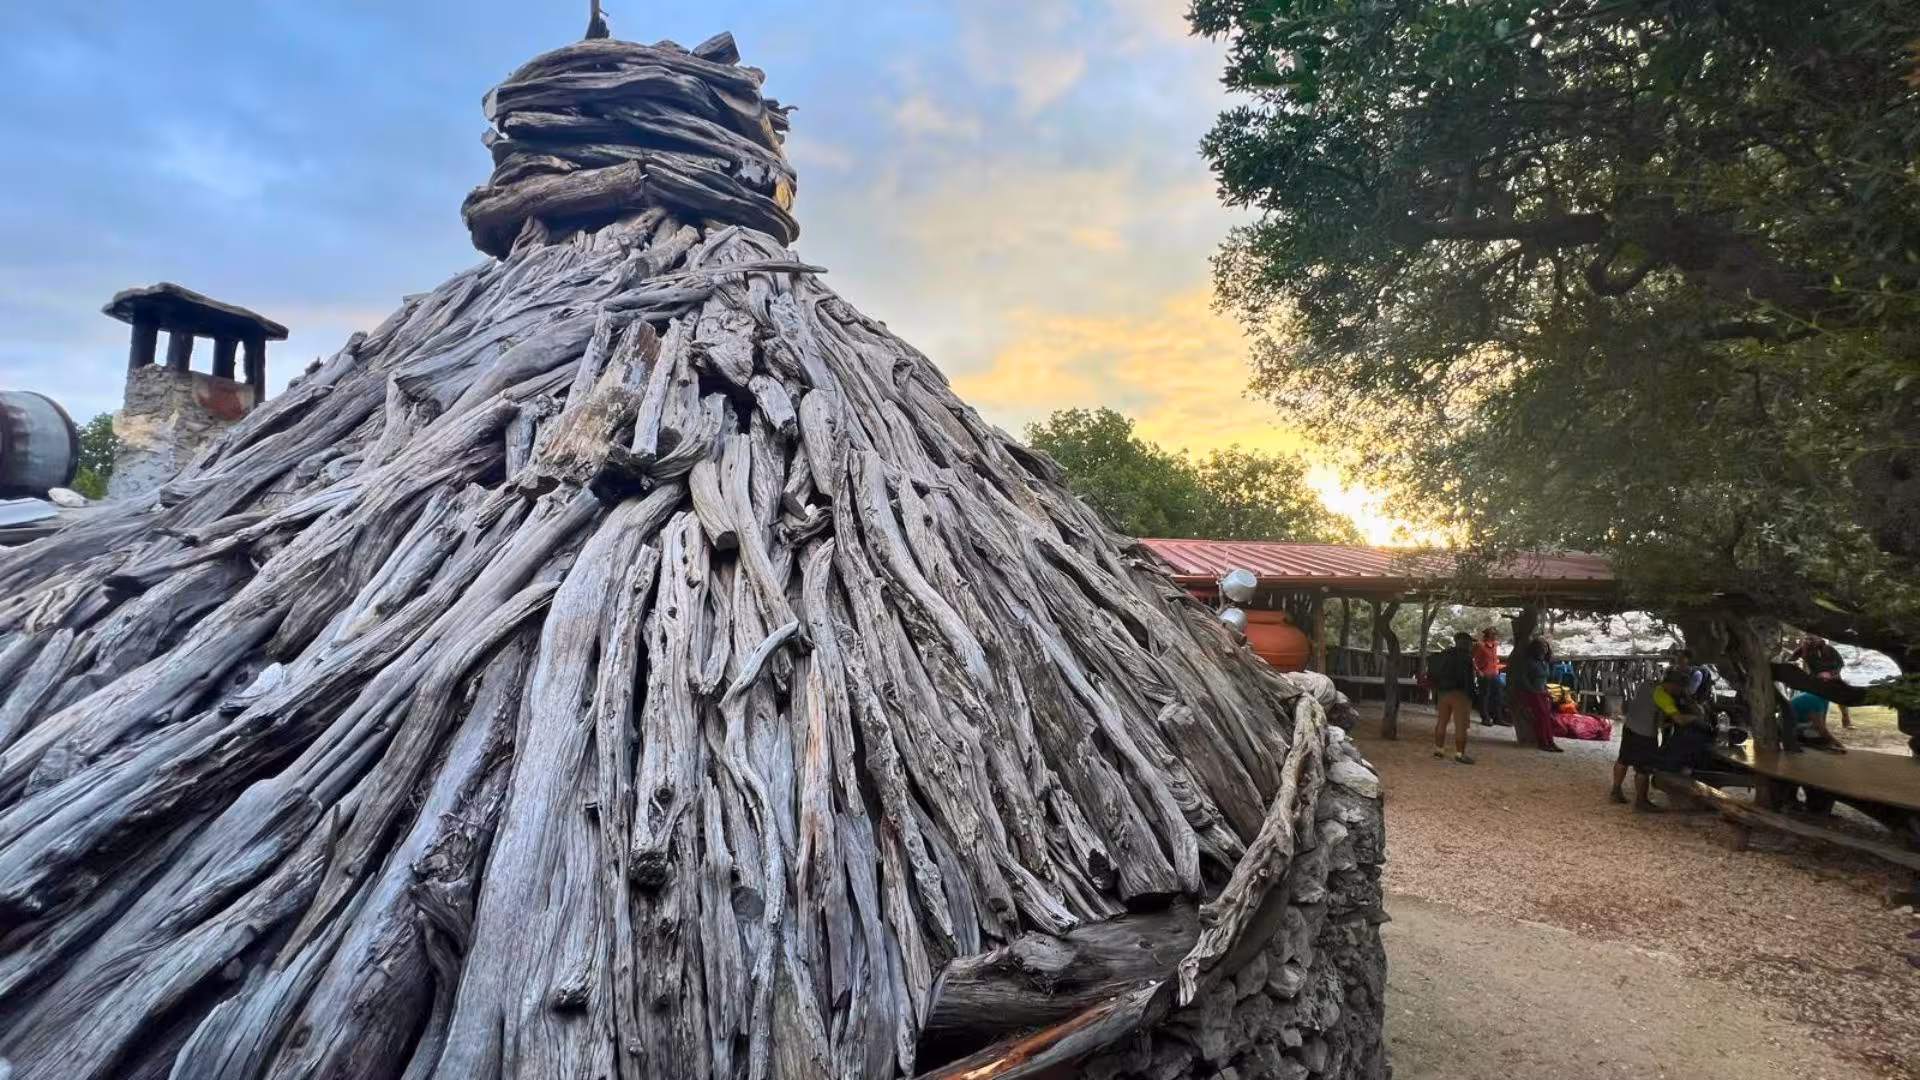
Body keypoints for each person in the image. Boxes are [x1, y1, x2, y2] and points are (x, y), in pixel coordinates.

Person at [1611, 667, 1693, 812]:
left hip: (1629, 726)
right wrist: (1695, 718)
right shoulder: (1663, 696)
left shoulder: (1646, 684)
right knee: (1643, 769)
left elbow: (1649, 708)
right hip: (1645, 734)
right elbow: (1679, 720)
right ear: (1674, 685)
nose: (1680, 691)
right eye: (1680, 688)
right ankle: (1641, 802)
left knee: (1623, 760)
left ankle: (1615, 791)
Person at [1429, 631, 1478, 764]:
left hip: (1443, 693)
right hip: (1460, 694)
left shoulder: (1444, 655)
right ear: (1466, 643)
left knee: (1441, 722)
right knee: (1461, 725)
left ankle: (1439, 750)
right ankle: (1459, 753)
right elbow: (1468, 679)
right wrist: (1472, 695)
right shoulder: (1466, 657)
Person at [1509, 637, 1564, 752]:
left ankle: (1550, 741)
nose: (1544, 649)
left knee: (1547, 717)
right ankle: (1543, 741)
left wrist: (1546, 691)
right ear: (1535, 648)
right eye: (1541, 647)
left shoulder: (1544, 662)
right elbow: (1523, 680)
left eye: (1545, 647)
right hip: (1531, 693)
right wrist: (1533, 691)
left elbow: (1543, 680)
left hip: (1542, 692)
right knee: (1541, 717)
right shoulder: (1528, 662)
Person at [1792, 635, 1851, 728]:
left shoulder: (1829, 649)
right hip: (1815, 677)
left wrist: (1830, 673)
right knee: (1820, 699)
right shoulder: (1803, 649)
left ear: (1818, 639)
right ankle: (1820, 723)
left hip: (1833, 676)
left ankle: (1845, 717)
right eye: (1806, 639)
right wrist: (1792, 663)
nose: (1808, 641)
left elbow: (1840, 663)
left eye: (1811, 639)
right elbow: (1791, 658)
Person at [1471, 627, 1504, 726]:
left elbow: (1495, 658)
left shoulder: (1495, 645)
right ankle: (1485, 718)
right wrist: (1478, 671)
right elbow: (1472, 659)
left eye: (1496, 634)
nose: (1495, 635)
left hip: (1494, 673)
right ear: (1487, 635)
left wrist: (1497, 668)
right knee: (1484, 696)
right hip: (1484, 674)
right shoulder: (1479, 645)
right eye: (1493, 634)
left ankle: (1497, 717)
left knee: (1498, 695)